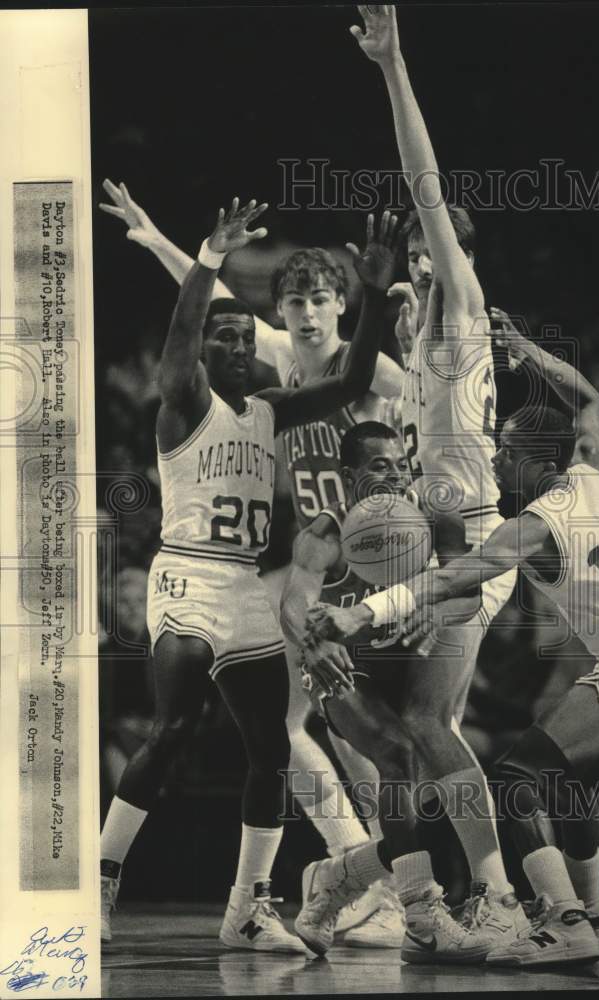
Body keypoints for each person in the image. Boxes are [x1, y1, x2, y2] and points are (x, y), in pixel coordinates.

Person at [99, 181, 405, 940]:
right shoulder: (184, 398)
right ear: (203, 352)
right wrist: (200, 255)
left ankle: (251, 906)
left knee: (275, 748)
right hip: (189, 576)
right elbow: (192, 320)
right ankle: (100, 885)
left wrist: (374, 294)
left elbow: (356, 379)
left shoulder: (271, 406)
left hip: (267, 581)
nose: (240, 345)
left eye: (246, 338)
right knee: (175, 730)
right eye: (223, 339)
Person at [308, 403, 599, 966]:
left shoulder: (532, 524)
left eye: (508, 451)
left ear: (539, 462)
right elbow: (589, 403)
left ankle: (558, 917)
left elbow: (455, 579)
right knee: (566, 786)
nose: (496, 457)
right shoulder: (590, 474)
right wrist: (536, 356)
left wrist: (362, 614)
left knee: (516, 779)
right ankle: (589, 917)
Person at [340, 2, 522, 938]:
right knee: (397, 728)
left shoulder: (460, 310)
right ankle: (397, 894)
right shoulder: (415, 365)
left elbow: (424, 182)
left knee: (427, 727)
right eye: (414, 252)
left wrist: (391, 68)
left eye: (429, 248)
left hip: (475, 547)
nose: (418, 257)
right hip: (431, 552)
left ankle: (493, 898)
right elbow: (335, 369)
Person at [281, 420, 530, 962]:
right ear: (348, 475)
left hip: (406, 665)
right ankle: (420, 912)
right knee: (396, 756)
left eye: (400, 464)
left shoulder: (436, 513)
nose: (394, 477)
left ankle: (340, 880)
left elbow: (467, 596)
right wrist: (313, 646)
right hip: (347, 674)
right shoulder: (326, 533)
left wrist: (431, 605)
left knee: (421, 770)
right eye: (378, 466)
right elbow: (294, 601)